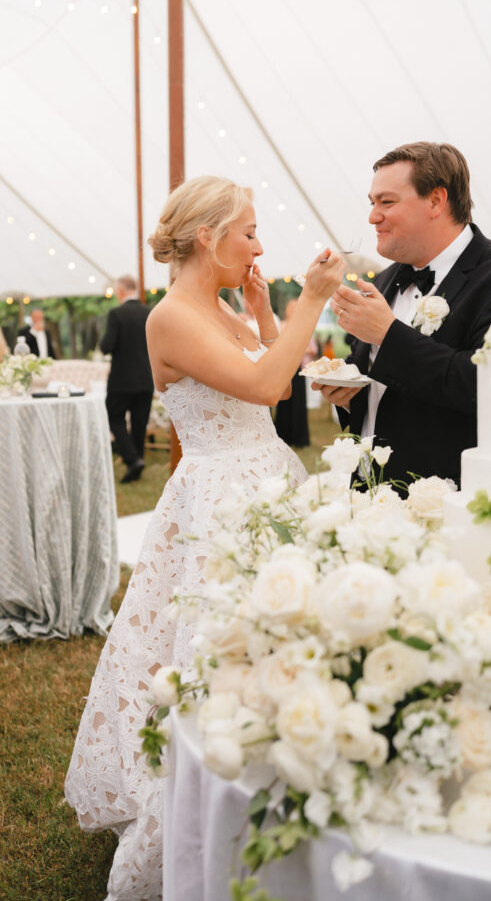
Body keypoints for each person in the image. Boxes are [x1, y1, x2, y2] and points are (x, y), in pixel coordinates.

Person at [65, 175, 344, 901]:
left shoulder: (219, 306)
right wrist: (307, 303)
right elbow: (261, 387)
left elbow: (277, 387)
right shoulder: (168, 317)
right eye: (248, 230)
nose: (258, 242)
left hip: (265, 475)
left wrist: (260, 311)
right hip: (219, 495)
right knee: (216, 648)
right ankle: (209, 802)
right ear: (206, 239)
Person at [315, 141, 491, 487]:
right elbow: (383, 394)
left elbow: (486, 387)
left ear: (436, 201)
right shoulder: (386, 280)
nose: (373, 216)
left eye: (386, 202)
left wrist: (388, 336)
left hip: (448, 497)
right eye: (373, 203)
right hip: (369, 495)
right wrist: (347, 395)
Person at [100, 275, 154, 483]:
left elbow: (107, 346)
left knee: (114, 417)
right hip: (146, 378)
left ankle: (132, 460)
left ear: (121, 291)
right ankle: (137, 462)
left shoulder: (116, 314)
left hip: (121, 380)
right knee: (140, 421)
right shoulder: (149, 313)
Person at [274, 297, 319, 447]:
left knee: (298, 403)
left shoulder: (303, 326)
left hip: (298, 369)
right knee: (284, 404)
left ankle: (299, 438)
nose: (291, 310)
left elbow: (313, 349)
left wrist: (301, 350)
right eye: (290, 307)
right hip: (283, 369)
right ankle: (283, 436)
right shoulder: (281, 325)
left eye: (295, 307)